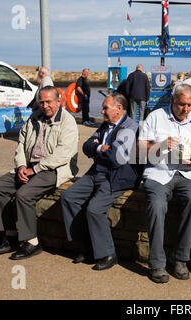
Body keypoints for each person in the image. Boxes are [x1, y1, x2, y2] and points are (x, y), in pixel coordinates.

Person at [0, 86, 78, 260]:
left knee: (24, 194)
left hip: (54, 169)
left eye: (49, 102)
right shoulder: (33, 118)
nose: (45, 106)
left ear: (59, 101)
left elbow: (62, 154)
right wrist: (22, 165)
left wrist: (35, 169)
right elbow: (21, 144)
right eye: (42, 102)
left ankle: (32, 242)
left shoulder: (68, 121)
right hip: (30, 165)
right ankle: (11, 236)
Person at [137, 83, 191, 283]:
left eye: (189, 105)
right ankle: (157, 263)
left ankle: (180, 258)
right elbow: (138, 150)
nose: (186, 109)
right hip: (158, 173)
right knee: (156, 206)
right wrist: (160, 145)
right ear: (172, 101)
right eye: (181, 104)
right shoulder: (155, 117)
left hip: (188, 174)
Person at [60, 92, 139, 270]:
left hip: (116, 176)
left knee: (94, 210)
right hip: (96, 172)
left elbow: (115, 158)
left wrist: (97, 150)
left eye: (105, 108)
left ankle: (108, 254)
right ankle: (87, 246)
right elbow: (86, 146)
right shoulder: (105, 125)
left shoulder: (130, 126)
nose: (102, 111)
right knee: (68, 197)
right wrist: (98, 147)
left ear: (119, 109)